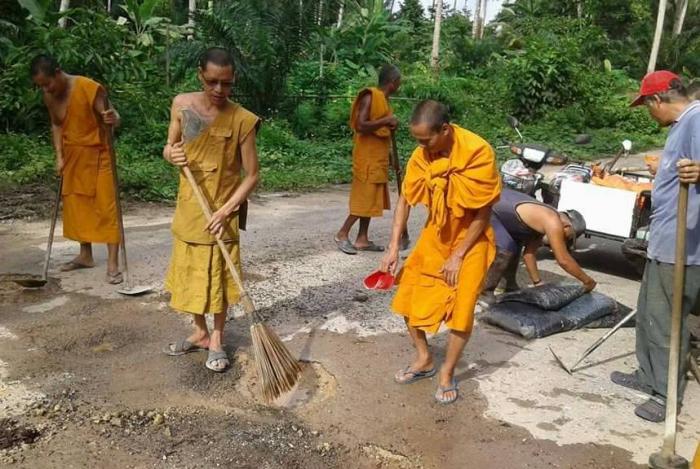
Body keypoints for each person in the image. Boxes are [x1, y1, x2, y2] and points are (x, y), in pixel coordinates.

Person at [379, 100, 501, 404]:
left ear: (445, 129)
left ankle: (447, 372)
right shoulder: (422, 156)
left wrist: (458, 255)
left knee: (462, 310)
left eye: (426, 140)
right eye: (417, 140)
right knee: (407, 294)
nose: (421, 146)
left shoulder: (477, 152)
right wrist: (393, 246)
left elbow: (483, 213)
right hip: (435, 235)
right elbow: (405, 200)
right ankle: (424, 358)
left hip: (471, 241)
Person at [161, 47, 260, 372]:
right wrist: (170, 155)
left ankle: (217, 338)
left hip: (224, 212)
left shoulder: (242, 118)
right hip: (191, 207)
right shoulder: (182, 104)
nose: (219, 90)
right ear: (200, 76)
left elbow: (252, 175)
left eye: (227, 84)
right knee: (192, 275)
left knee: (218, 277)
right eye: (212, 82)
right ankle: (200, 331)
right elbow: (170, 146)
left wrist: (226, 210)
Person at [611, 70, 700, 422]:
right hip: (665, 241)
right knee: (650, 312)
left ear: (657, 100)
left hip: (684, 245)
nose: (650, 114)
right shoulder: (685, 123)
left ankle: (665, 395)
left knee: (665, 321)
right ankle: (649, 377)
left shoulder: (696, 119)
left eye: (647, 106)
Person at [30, 54, 122, 283]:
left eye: (47, 83)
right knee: (77, 206)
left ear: (58, 72)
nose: (46, 89)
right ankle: (85, 255)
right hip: (73, 156)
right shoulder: (49, 96)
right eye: (41, 86)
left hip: (99, 154)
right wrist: (59, 155)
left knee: (106, 206)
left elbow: (113, 117)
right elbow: (57, 124)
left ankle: (113, 263)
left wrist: (112, 119)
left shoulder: (88, 88)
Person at [479, 188, 595, 305]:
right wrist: (587, 280)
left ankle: (509, 285)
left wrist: (537, 283)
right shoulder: (552, 221)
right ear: (567, 226)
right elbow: (563, 260)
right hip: (492, 205)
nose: (564, 240)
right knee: (506, 248)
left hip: (502, 207)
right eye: (568, 237)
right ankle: (485, 293)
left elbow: (529, 255)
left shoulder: (542, 221)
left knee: (517, 244)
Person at [335, 64, 401, 255]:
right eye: (399, 83)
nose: (399, 86)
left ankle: (362, 239)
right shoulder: (370, 96)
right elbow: (361, 125)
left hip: (378, 158)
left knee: (372, 200)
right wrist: (385, 121)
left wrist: (391, 159)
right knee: (365, 199)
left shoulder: (385, 102)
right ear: (393, 82)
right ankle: (342, 233)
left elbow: (382, 134)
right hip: (367, 159)